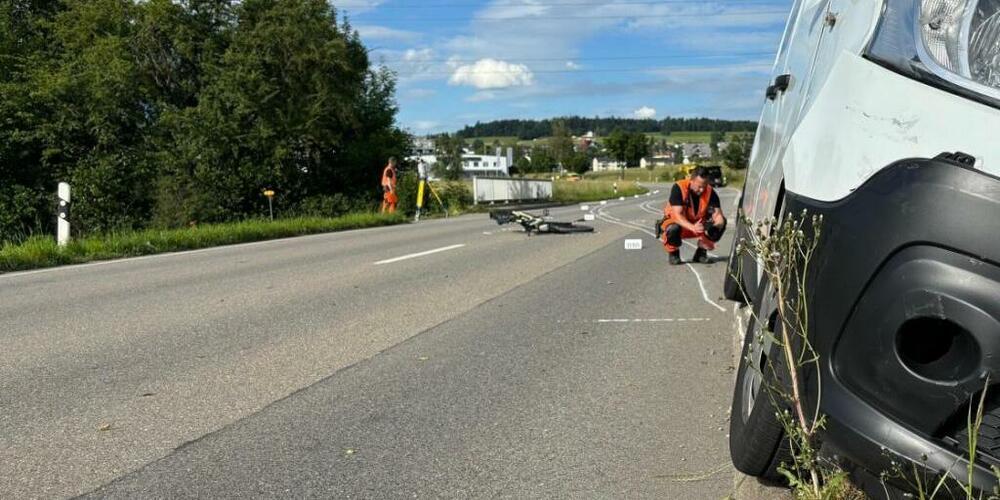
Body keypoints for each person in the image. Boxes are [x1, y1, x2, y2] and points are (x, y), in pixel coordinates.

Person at [658, 166, 727, 265]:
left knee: (722, 222)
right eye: (699, 186)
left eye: (704, 186)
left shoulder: (710, 192)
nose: (702, 189)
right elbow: (677, 216)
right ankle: (673, 253)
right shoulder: (679, 187)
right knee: (673, 228)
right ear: (691, 181)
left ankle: (701, 253)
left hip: (699, 226)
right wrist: (692, 227)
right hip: (679, 225)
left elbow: (718, 216)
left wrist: (716, 226)